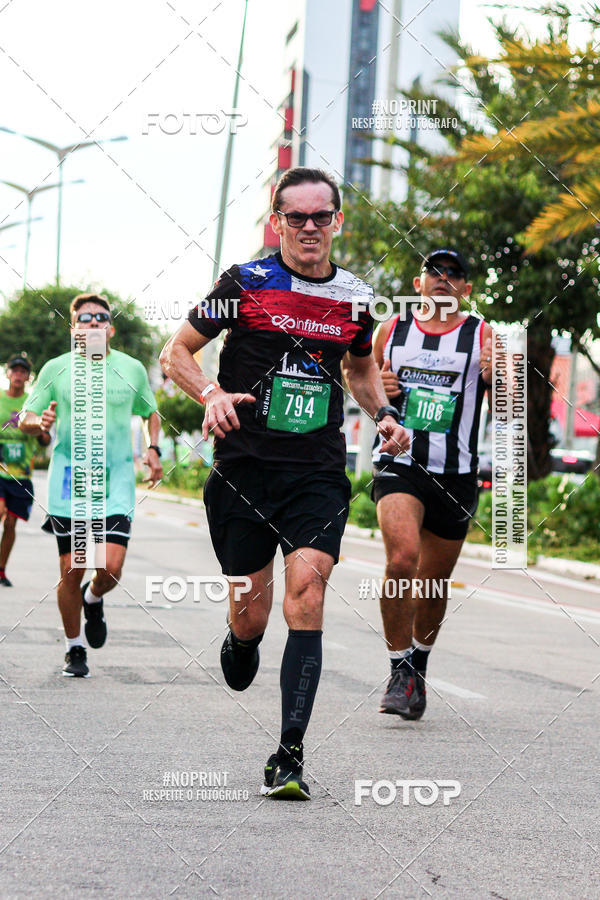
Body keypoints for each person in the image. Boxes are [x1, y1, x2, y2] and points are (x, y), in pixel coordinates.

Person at [160, 166, 409, 800]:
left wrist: (382, 413)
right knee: (253, 612)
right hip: (243, 470)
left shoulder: (356, 298)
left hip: (316, 473)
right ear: (278, 222)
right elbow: (176, 353)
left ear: (337, 222)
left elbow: (360, 369)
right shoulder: (244, 283)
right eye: (294, 216)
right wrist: (210, 394)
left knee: (308, 591)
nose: (307, 227)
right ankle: (241, 640)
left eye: (319, 216)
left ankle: (289, 755)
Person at [372, 248, 493, 719]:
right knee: (402, 558)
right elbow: (358, 376)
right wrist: (382, 392)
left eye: (454, 274)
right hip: (400, 462)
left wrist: (497, 376)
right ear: (418, 283)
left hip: (457, 472)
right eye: (433, 272)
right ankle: (398, 667)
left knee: (433, 580)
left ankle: (417, 665)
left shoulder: (483, 335)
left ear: (465, 289)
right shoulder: (393, 329)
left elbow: (511, 404)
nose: (443, 278)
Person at [20, 294, 163, 678]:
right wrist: (39, 424)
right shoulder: (56, 369)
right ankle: (74, 647)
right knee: (72, 567)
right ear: (74, 330)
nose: (93, 323)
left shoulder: (130, 369)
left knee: (111, 566)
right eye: (85, 319)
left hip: (116, 481)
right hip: (72, 483)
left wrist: (153, 449)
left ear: (110, 328)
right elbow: (26, 416)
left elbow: (151, 412)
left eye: (101, 318)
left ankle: (94, 597)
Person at [0, 355, 51, 586]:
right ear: (8, 373)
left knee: (10, 523)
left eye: (23, 372)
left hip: (21, 476)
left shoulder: (33, 403)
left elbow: (45, 439)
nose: (19, 375)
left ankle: (1, 570)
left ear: (28, 377)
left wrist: (42, 432)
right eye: (15, 371)